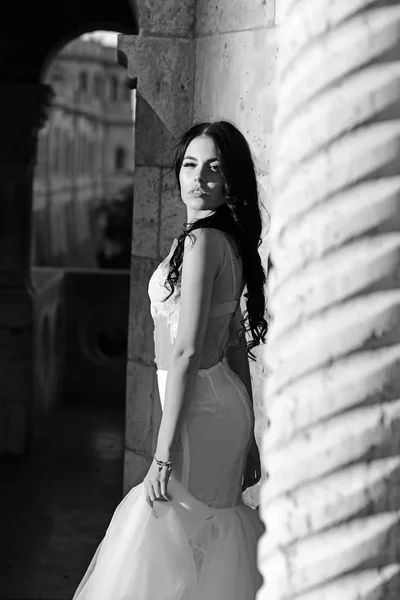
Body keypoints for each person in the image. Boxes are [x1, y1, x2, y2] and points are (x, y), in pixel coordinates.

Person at [72, 120, 269, 600]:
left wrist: (161, 454)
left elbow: (185, 352)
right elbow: (231, 343)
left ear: (231, 181)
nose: (197, 179)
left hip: (200, 410)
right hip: (222, 407)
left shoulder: (203, 241)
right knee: (200, 543)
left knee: (165, 532)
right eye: (189, 165)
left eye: (214, 169)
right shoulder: (226, 239)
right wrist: (249, 438)